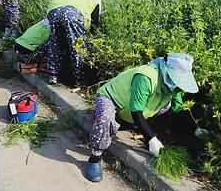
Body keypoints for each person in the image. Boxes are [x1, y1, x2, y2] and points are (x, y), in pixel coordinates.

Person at [84, 53, 199, 183]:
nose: (178, 88)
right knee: (105, 117)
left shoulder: (172, 87)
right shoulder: (145, 77)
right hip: (112, 99)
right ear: (167, 72)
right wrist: (151, 139)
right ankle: (95, 157)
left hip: (129, 107)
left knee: (167, 106)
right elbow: (137, 113)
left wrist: (194, 129)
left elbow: (176, 109)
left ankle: (116, 125)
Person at [43, 0, 102, 87]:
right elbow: (94, 26)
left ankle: (53, 75)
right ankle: (79, 79)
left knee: (55, 42)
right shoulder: (93, 0)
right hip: (72, 13)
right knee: (78, 46)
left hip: (53, 11)